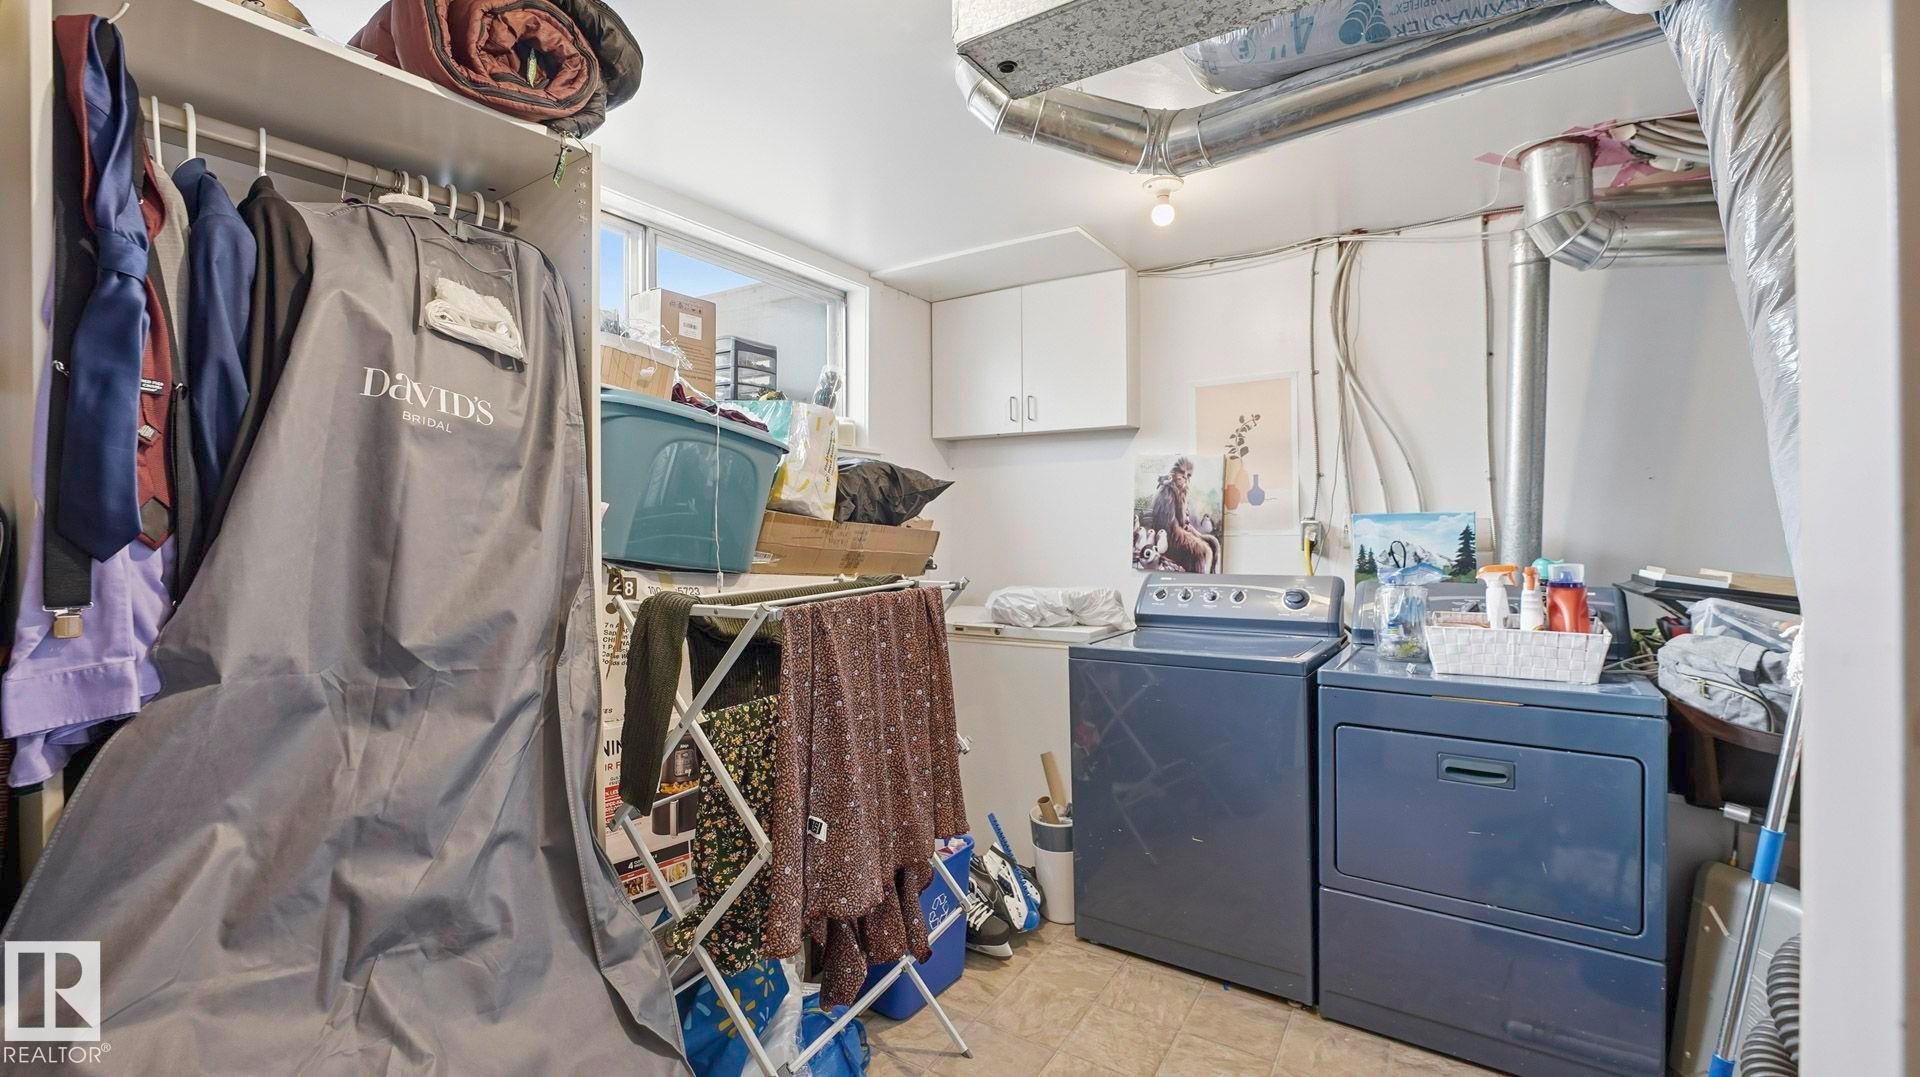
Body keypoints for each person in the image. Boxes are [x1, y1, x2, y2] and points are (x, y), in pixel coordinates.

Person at [1148, 457, 1220, 573]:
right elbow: (1170, 527)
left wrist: (1196, 534)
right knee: (1203, 551)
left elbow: (1183, 522)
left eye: (1188, 475)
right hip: (1170, 536)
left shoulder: (1182, 491)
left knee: (1213, 543)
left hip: (1179, 530)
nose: (1185, 477)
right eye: (1182, 473)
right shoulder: (1167, 492)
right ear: (1174, 473)